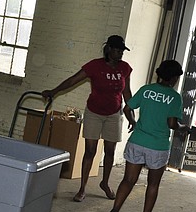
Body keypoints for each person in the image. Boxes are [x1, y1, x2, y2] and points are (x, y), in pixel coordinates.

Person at [42, 35, 135, 202]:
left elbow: (127, 93)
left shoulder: (125, 68)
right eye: (117, 50)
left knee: (110, 151)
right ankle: (82, 188)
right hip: (94, 113)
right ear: (108, 49)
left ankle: (105, 183)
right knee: (90, 151)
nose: (120, 53)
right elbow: (73, 80)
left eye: (122, 51)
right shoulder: (95, 66)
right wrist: (53, 91)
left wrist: (132, 117)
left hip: (114, 114)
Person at [103, 59, 184, 212]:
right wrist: (183, 127)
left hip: (137, 141)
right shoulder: (175, 98)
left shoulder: (146, 90)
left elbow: (127, 108)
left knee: (128, 180)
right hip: (158, 146)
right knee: (153, 184)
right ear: (174, 78)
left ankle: (114, 211)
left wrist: (132, 121)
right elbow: (171, 123)